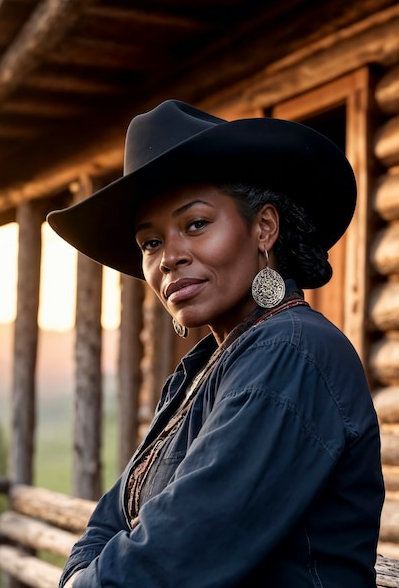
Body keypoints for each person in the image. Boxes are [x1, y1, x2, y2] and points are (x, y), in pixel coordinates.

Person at [48, 99, 384, 587]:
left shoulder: (291, 353)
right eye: (151, 242)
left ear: (263, 227)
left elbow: (177, 554)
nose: (169, 258)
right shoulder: (201, 372)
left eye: (196, 224)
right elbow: (108, 521)